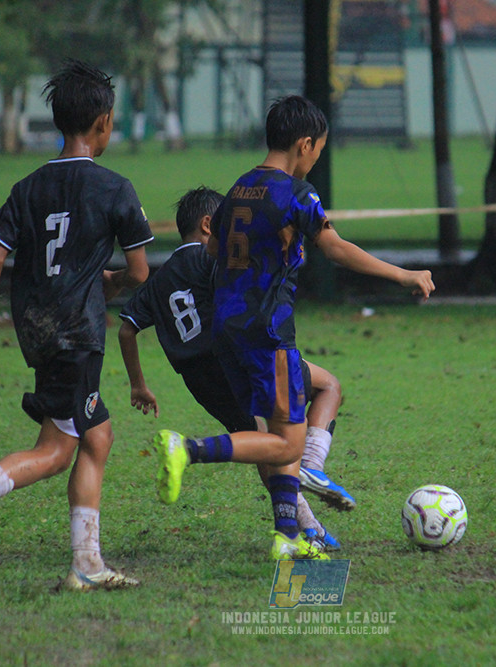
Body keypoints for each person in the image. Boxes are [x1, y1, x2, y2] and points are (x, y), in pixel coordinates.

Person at [152, 95, 434, 560]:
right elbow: (336, 249)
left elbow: (214, 248)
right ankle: (188, 449)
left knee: (280, 434)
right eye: (318, 150)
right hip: (268, 331)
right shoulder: (296, 194)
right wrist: (403, 275)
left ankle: (288, 536)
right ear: (305, 144)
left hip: (227, 330)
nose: (316, 159)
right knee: (286, 443)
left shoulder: (240, 187)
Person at [0, 60, 153, 590]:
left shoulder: (27, 186)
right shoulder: (115, 188)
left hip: (37, 329)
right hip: (78, 332)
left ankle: (86, 563)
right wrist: (109, 283)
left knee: (96, 436)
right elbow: (139, 272)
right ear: (104, 123)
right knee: (55, 452)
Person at [117, 187, 348, 551]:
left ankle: (307, 529)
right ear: (209, 225)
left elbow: (126, 329)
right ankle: (312, 467)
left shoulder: (158, 281)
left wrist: (138, 384)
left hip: (200, 381)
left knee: (260, 444)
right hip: (237, 360)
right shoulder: (209, 258)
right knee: (329, 386)